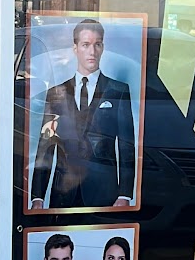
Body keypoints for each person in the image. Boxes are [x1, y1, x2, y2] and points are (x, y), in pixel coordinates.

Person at [30, 18, 136, 210]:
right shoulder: (57, 93)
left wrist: (124, 194)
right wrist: (37, 197)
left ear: (102, 47)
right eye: (86, 44)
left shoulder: (118, 90)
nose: (92, 51)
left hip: (103, 192)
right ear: (75, 48)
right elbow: (46, 146)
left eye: (97, 44)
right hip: (63, 191)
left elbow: (126, 146)